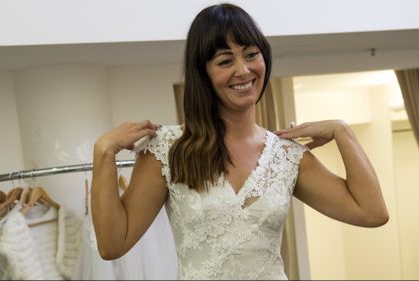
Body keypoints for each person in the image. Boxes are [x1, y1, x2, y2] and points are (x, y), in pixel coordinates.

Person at [91, 3, 389, 280]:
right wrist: (103, 152)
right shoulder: (169, 150)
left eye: (250, 54)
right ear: (203, 73)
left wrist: (342, 131)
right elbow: (112, 245)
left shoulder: (285, 155)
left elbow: (371, 213)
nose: (243, 70)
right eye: (224, 61)